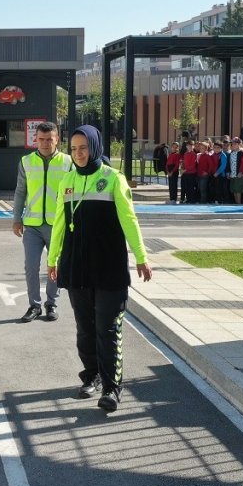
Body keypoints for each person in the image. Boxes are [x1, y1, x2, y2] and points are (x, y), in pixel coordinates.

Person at [47, 125, 152, 413]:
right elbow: (59, 222)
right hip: (77, 268)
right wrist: (53, 258)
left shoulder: (112, 178)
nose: (79, 153)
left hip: (108, 268)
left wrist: (141, 256)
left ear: (95, 147)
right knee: (85, 330)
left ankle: (112, 388)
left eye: (84, 148)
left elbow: (129, 220)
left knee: (108, 329)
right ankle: (90, 375)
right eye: (74, 148)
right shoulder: (66, 181)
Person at [11, 121, 70, 323]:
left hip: (57, 225)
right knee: (31, 267)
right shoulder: (26, 162)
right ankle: (34, 306)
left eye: (49, 140)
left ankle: (51, 303)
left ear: (57, 140)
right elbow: (20, 192)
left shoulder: (67, 163)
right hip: (33, 225)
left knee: (54, 265)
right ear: (36, 139)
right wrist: (16, 219)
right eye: (42, 139)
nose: (45, 143)